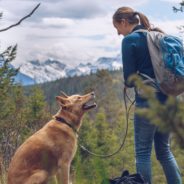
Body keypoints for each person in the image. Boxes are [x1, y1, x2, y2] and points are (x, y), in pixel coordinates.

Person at [112, 6, 182, 184]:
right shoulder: (156, 36)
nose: (119, 33)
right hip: (170, 99)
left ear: (124, 22)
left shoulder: (130, 41)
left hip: (147, 102)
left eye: (117, 28)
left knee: (142, 153)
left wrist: (128, 83)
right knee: (164, 151)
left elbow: (129, 78)